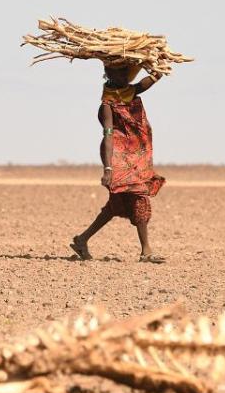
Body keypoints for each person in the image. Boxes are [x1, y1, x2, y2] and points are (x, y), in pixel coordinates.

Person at [70, 62, 166, 263]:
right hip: (120, 160)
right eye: (119, 72)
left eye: (126, 72)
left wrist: (159, 67)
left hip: (137, 157)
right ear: (109, 73)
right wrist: (108, 168)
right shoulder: (107, 105)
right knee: (140, 198)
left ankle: (82, 239)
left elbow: (146, 83)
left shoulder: (129, 92)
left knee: (116, 205)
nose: (125, 77)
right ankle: (146, 251)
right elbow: (108, 136)